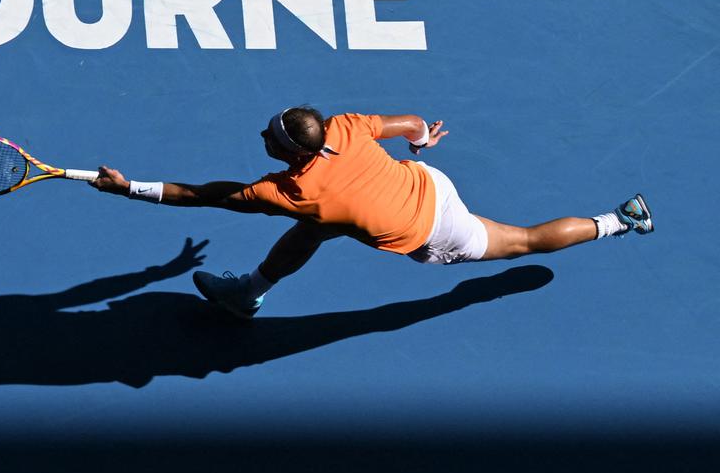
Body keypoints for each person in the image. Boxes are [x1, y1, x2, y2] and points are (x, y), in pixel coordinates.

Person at [90, 108, 653, 318]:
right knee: (316, 227)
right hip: (426, 180)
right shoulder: (347, 128)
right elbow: (409, 121)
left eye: (270, 135)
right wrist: (423, 139)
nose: (261, 134)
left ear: (290, 152)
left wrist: (128, 188)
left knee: (526, 241)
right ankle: (249, 292)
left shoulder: (287, 192)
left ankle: (619, 220)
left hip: (434, 229)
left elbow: (201, 194)